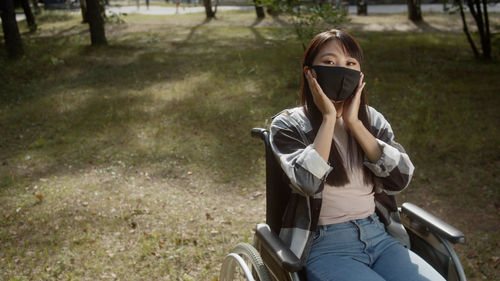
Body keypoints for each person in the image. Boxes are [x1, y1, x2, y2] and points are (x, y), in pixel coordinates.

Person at [269, 29, 445, 281]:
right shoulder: (288, 124)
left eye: (350, 63)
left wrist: (354, 123)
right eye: (329, 62)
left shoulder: (372, 120)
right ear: (310, 72)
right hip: (324, 244)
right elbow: (307, 182)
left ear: (359, 75)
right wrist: (329, 118)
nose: (340, 70)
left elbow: (401, 178)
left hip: (379, 236)